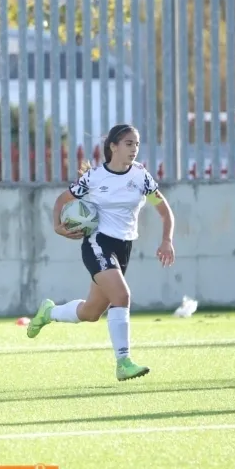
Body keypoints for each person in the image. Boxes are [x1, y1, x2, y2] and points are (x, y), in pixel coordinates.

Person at [24, 124, 175, 382]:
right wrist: (58, 227)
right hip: (98, 243)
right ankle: (123, 362)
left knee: (91, 313)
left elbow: (164, 210)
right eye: (129, 143)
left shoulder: (141, 177)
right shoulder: (94, 177)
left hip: (124, 247)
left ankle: (48, 312)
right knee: (122, 295)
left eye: (137, 144)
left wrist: (167, 240)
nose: (134, 149)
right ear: (113, 146)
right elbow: (62, 201)